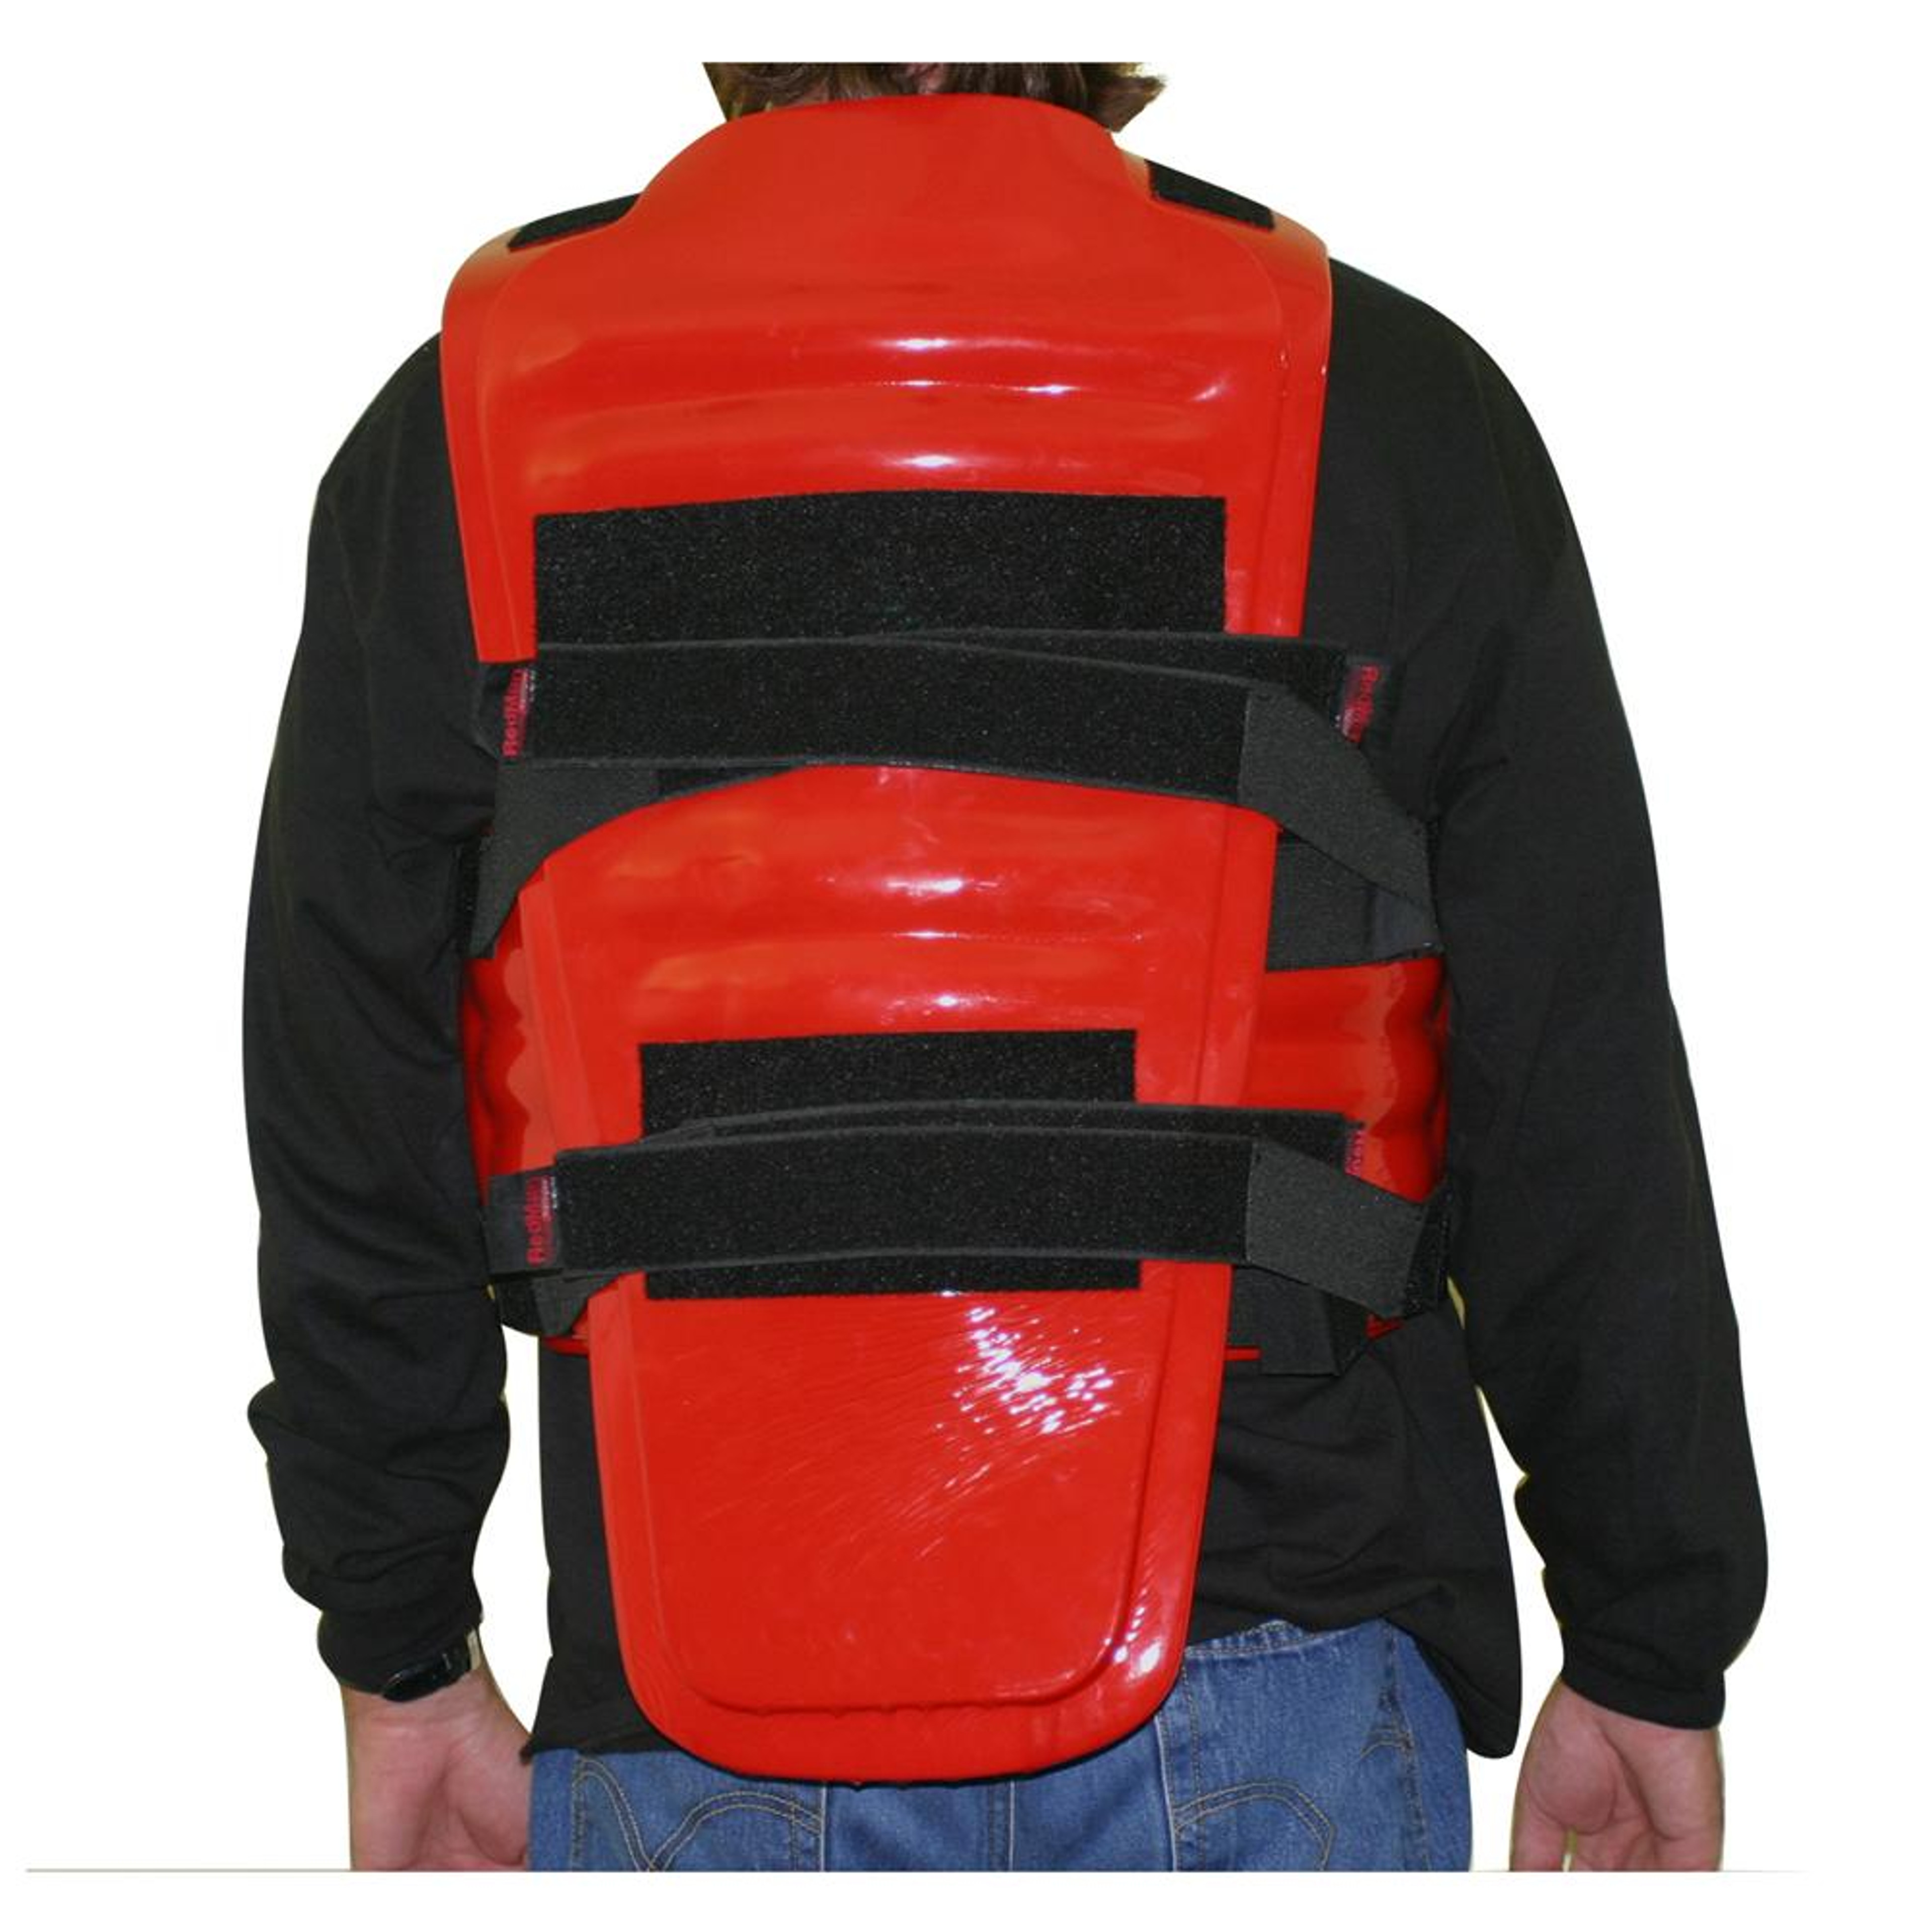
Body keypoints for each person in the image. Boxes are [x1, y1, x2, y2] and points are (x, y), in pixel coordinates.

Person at [244, 60, 1767, 1872]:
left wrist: (403, 1641)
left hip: (700, 1698)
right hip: (1278, 1662)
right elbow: (1575, 1075)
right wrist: (1651, 1631)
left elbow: (349, 1097)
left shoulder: (469, 423)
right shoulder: (1386, 394)